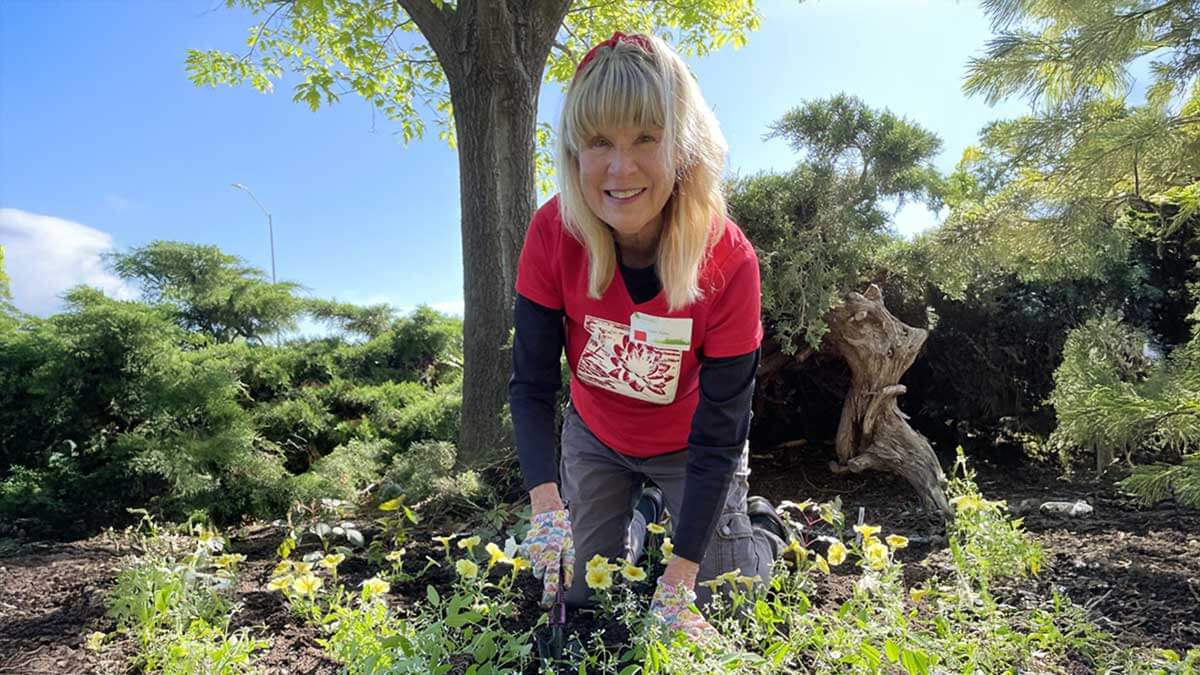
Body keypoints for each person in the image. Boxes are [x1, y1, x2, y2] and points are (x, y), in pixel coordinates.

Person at [512, 31, 790, 641]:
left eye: (645, 138)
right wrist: (545, 503)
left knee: (727, 610)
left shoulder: (730, 259)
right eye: (599, 142)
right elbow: (530, 383)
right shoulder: (552, 233)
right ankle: (638, 515)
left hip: (692, 445)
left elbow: (724, 426)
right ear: (574, 152)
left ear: (682, 145)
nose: (620, 167)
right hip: (598, 435)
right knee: (577, 597)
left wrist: (683, 574)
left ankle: (764, 529)